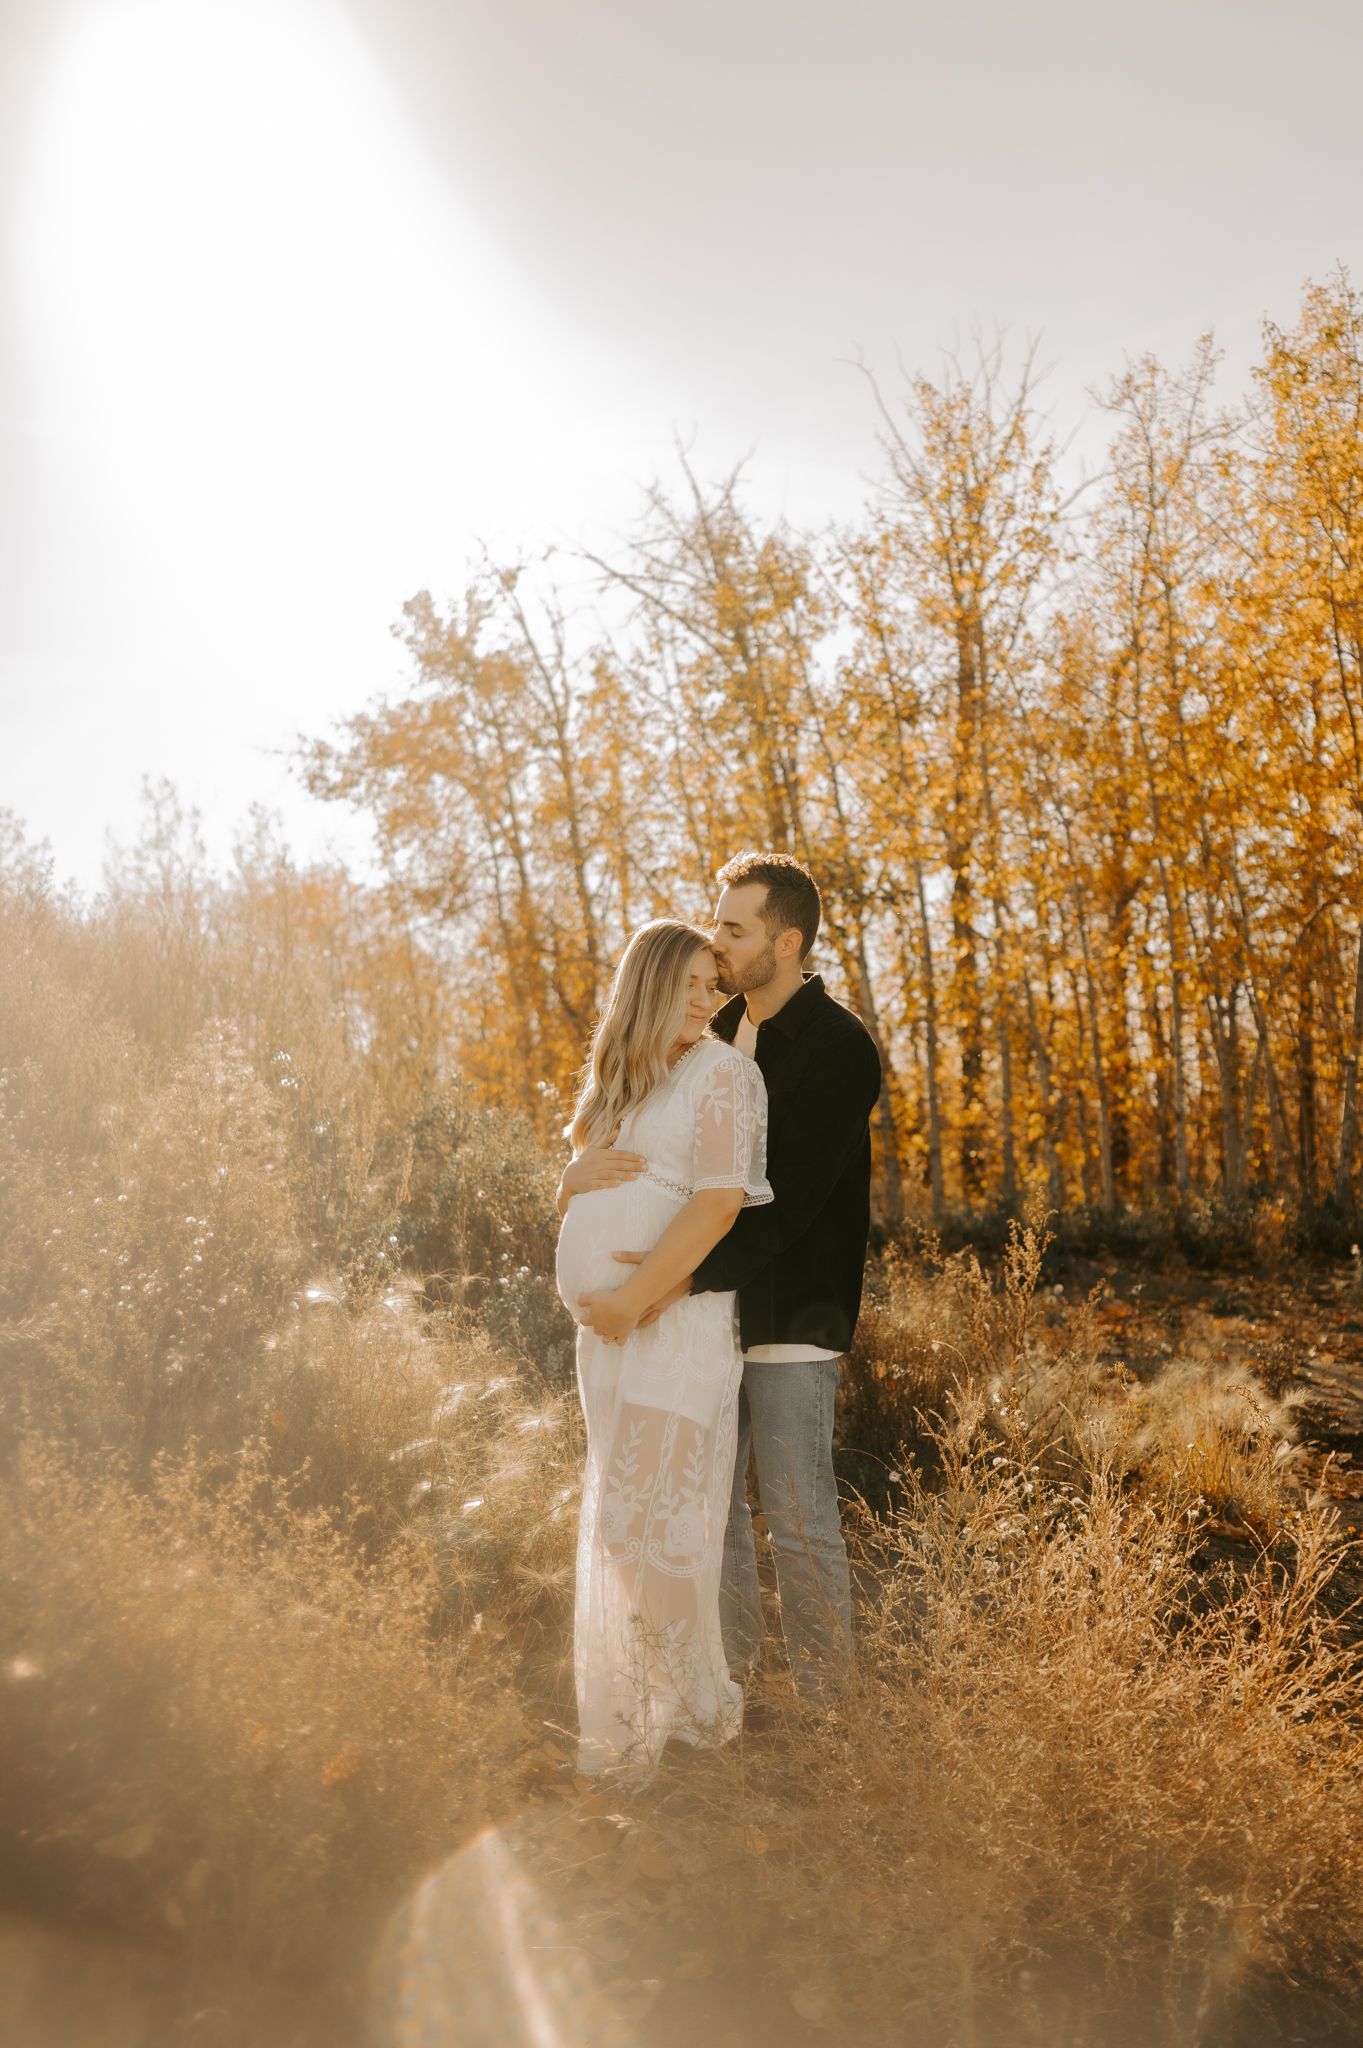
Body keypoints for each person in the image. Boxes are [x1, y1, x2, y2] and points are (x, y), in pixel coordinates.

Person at [578, 854, 880, 1702]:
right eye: (718, 922)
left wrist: (672, 1282)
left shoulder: (838, 1047)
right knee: (708, 1509)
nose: (718, 940)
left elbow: (786, 1206)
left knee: (795, 1512)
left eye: (736, 927)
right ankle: (732, 1683)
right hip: (704, 1317)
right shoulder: (708, 1034)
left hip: (790, 1314)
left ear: (785, 942)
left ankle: (828, 1702)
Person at [555, 919, 772, 1778]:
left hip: (668, 1330)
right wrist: (567, 1181)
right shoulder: (625, 1085)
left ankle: (700, 1716)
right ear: (644, 987)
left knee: (655, 1531)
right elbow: (592, 1200)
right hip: (607, 1340)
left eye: (710, 985)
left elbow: (719, 1206)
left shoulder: (725, 1074)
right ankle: (673, 1709)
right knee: (621, 1533)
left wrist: (632, 1302)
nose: (704, 998)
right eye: (685, 982)